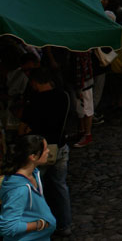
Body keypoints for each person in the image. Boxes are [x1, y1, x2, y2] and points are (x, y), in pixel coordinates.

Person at [18, 68, 71, 236]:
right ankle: (65, 224)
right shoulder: (64, 96)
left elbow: (22, 129)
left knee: (34, 189)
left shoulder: (35, 101)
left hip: (39, 151)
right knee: (60, 187)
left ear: (35, 82)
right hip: (59, 147)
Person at [0, 135, 56, 239]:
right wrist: (40, 224)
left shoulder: (35, 173)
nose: (48, 151)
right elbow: (7, 228)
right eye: (45, 149)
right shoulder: (19, 190)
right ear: (33, 156)